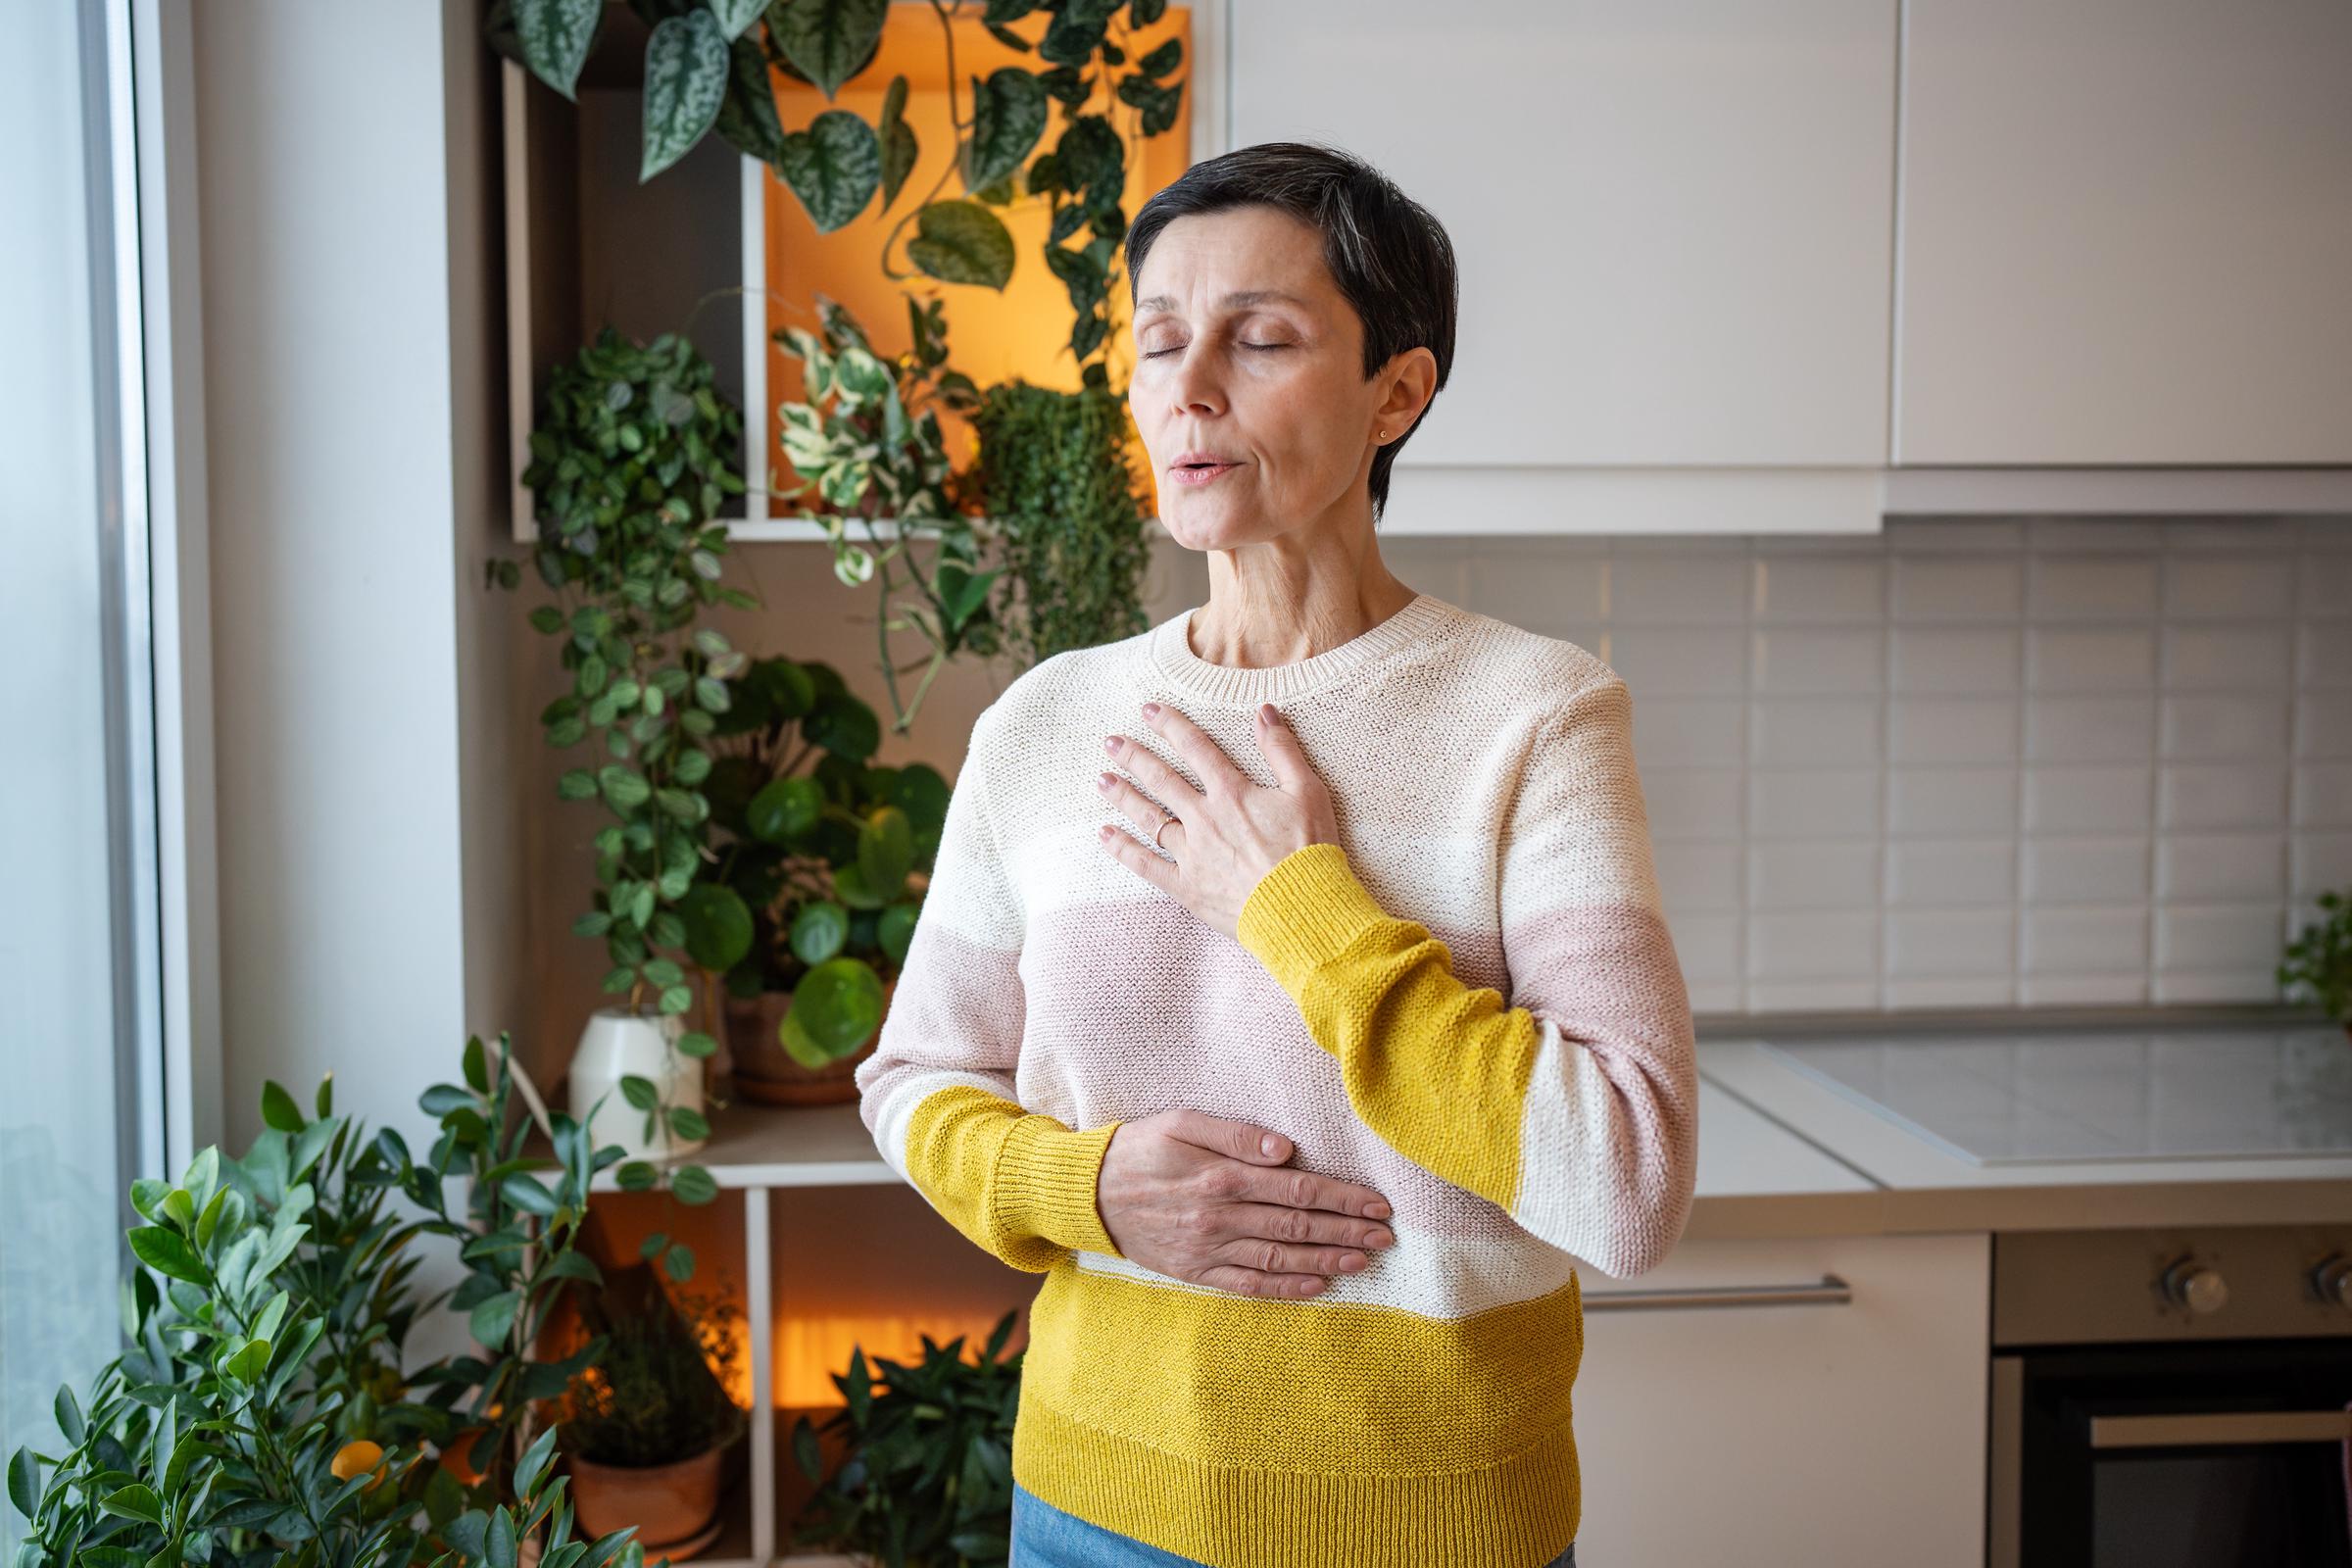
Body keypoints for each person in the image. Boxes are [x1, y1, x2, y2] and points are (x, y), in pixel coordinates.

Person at [854, 140, 1697, 1568]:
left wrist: (1294, 907)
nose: (1188, 389)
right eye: (1160, 342)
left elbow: (1626, 1182)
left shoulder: (1536, 715)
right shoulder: (1042, 725)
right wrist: (1088, 1189)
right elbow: (916, 1081)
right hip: (1089, 1510)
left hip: (1437, 1527)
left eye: (1259, 340)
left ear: (1397, 392)